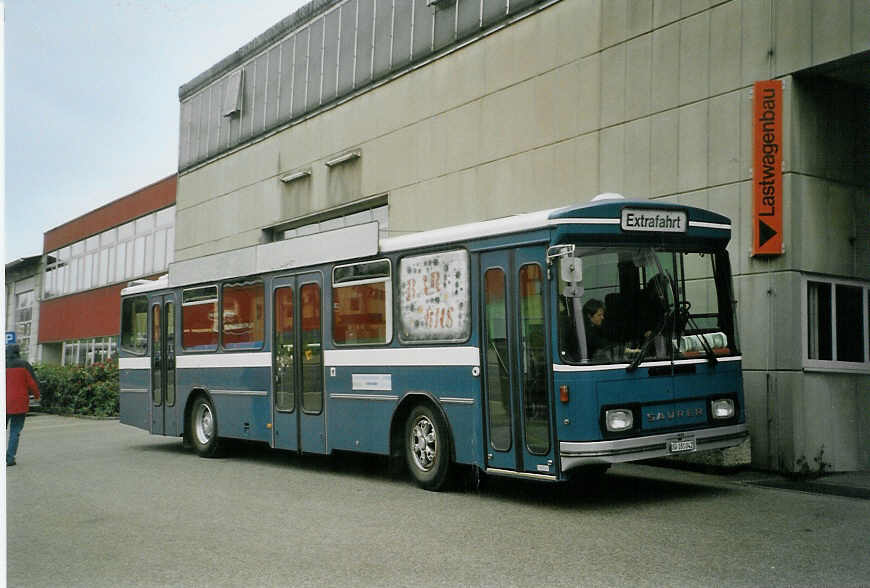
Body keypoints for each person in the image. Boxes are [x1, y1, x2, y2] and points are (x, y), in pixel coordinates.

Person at [6, 343, 40, 467]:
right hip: (19, 404)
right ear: (18, 352)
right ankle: (10, 458)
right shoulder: (24, 365)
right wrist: (37, 396)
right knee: (15, 431)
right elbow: (32, 384)